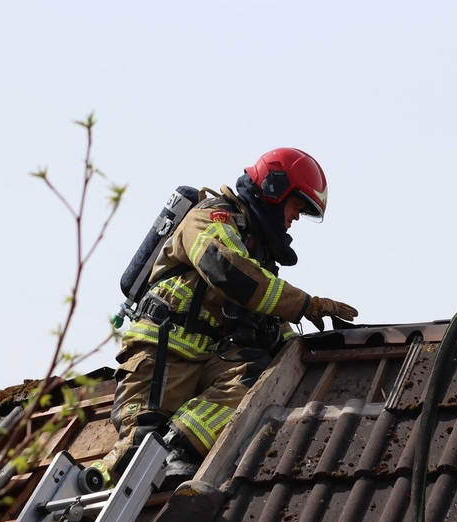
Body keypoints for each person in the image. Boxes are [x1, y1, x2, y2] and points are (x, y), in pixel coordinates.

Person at [95, 148, 358, 491]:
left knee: (266, 373)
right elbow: (228, 271)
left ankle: (179, 448)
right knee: (138, 450)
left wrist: (311, 348)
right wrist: (305, 304)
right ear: (275, 189)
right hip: (161, 353)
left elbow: (268, 319)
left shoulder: (255, 248)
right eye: (298, 206)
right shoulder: (211, 217)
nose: (296, 218)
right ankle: (82, 496)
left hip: (206, 361)